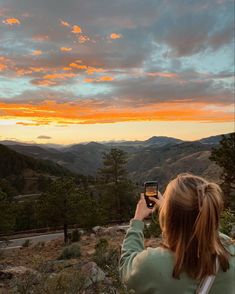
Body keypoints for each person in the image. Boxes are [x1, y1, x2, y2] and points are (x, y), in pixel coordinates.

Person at [119, 173, 235, 293]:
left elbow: (126, 266)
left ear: (170, 216)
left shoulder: (151, 265)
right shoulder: (230, 251)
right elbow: (205, 229)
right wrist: (170, 211)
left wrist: (137, 220)